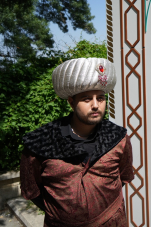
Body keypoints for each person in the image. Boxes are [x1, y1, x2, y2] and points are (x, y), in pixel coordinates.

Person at [20, 58, 134, 227]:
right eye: (87, 99)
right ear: (72, 102)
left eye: (101, 98)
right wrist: (61, 213)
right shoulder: (40, 143)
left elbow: (123, 177)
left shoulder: (118, 138)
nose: (96, 105)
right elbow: (32, 189)